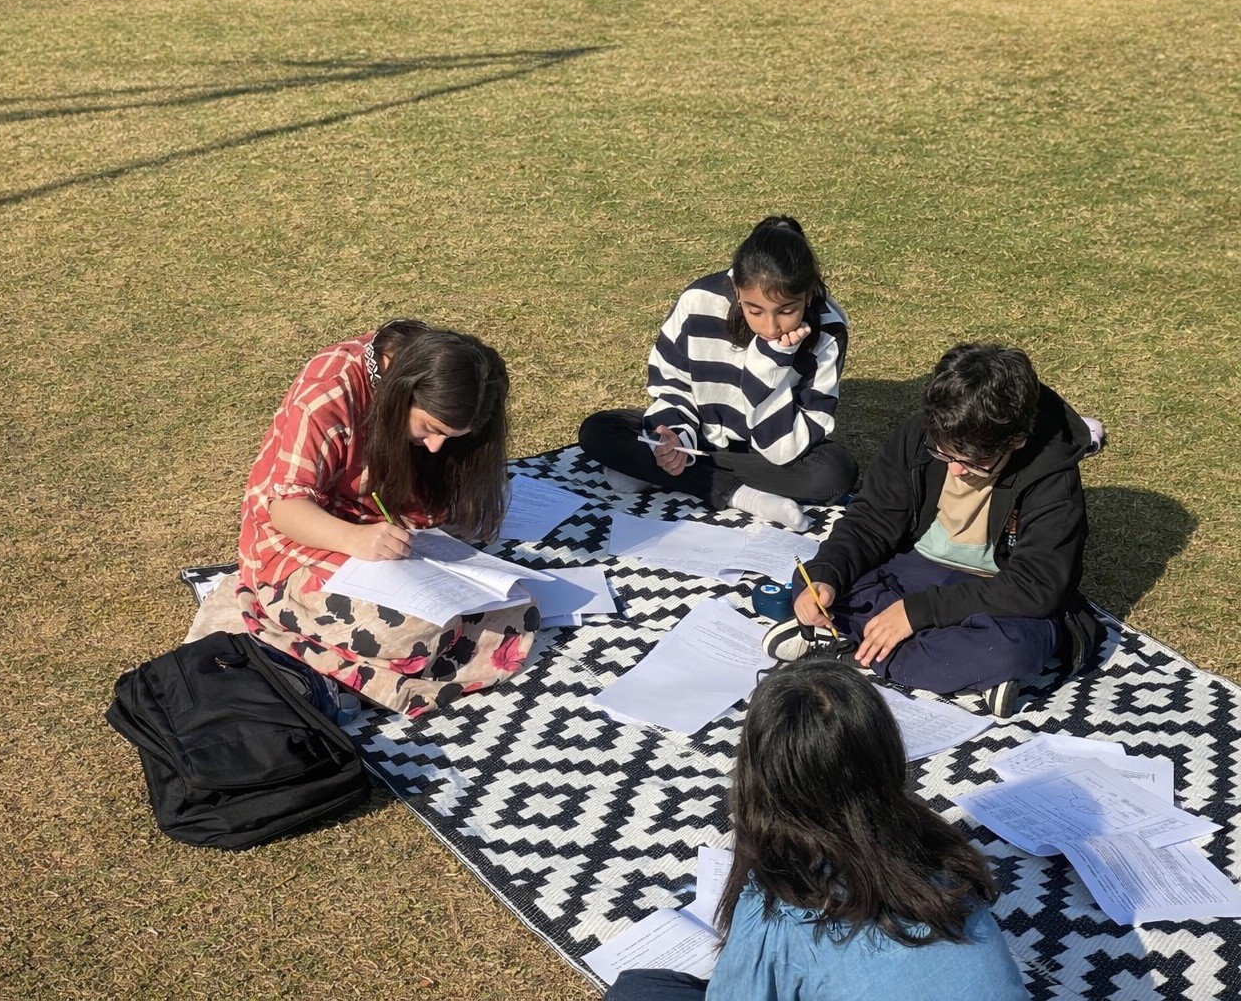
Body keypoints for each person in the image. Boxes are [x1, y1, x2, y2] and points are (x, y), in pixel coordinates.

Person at [603, 661, 1030, 1001]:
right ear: (885, 754)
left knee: (637, 990)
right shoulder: (941, 850)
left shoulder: (781, 909)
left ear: (758, 776)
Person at [185, 320, 538, 717]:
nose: (436, 447)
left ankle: (363, 670)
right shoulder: (327, 391)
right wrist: (355, 539)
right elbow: (284, 507)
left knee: (515, 611)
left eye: (451, 437)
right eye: (430, 429)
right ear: (403, 393)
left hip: (383, 539)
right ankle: (311, 664)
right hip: (301, 540)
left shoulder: (439, 378)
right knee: (412, 631)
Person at [763, 343, 1105, 717]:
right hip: (913, 569)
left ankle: (850, 647)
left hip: (996, 593)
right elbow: (870, 520)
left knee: (1014, 646)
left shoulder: (1053, 475)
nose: (956, 469)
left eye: (975, 461)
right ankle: (966, 672)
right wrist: (826, 576)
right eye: (944, 453)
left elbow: (1035, 585)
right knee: (816, 582)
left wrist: (916, 613)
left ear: (1017, 439)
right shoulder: (921, 435)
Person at [578, 215, 857, 531]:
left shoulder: (828, 329)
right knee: (599, 430)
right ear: (736, 288)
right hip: (699, 436)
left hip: (765, 455)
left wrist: (767, 366)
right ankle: (742, 495)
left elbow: (783, 449)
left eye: (787, 310)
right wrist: (674, 437)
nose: (771, 327)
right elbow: (672, 383)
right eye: (755, 310)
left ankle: (658, 472)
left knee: (834, 471)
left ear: (808, 294)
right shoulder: (699, 300)